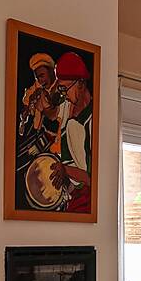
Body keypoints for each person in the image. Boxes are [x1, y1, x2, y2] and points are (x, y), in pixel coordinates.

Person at [53, 52, 92, 212]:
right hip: (70, 193)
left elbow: (91, 178)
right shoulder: (67, 107)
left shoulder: (92, 122)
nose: (64, 95)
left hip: (84, 200)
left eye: (65, 89)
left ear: (81, 84)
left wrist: (65, 170)